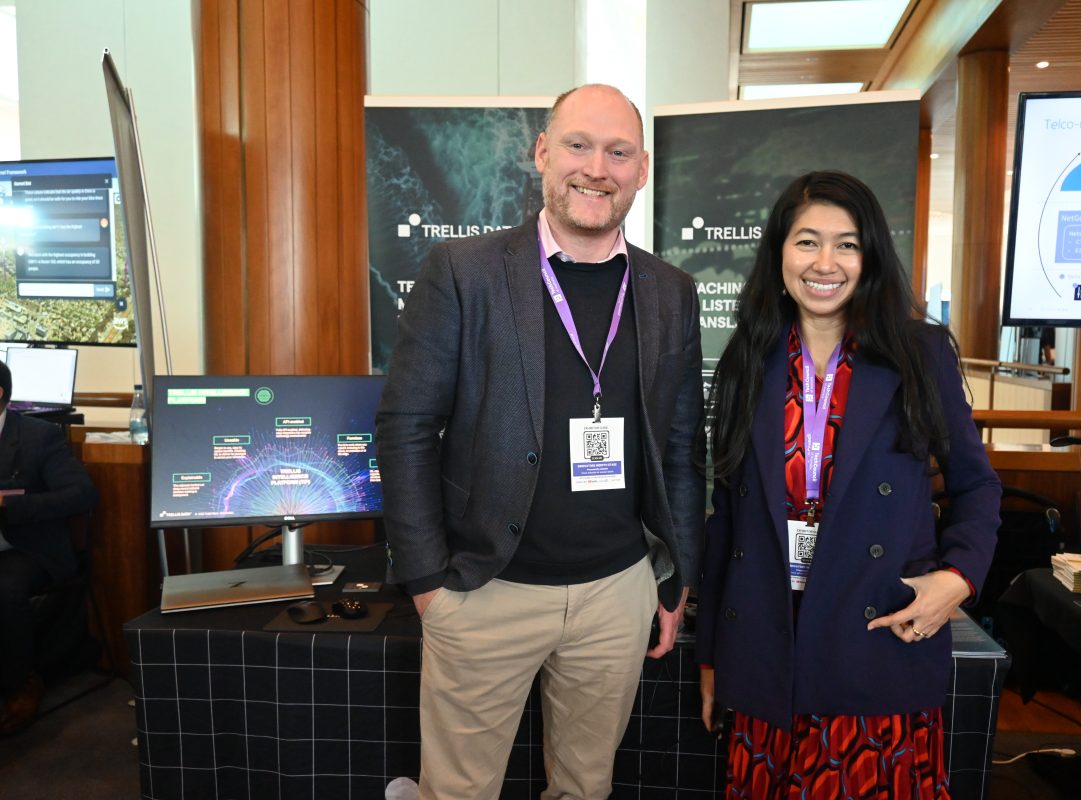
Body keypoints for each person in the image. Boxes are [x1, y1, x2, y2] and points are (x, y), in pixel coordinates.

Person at [375, 84, 705, 800]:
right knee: (458, 793)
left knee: (585, 789)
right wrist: (428, 583)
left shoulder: (670, 291)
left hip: (617, 593)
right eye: (579, 146)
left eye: (618, 152)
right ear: (542, 154)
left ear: (642, 169)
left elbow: (680, 446)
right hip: (486, 590)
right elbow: (405, 430)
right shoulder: (463, 274)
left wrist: (676, 578)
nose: (597, 168)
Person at [695, 171, 1000, 798]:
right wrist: (711, 655)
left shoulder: (920, 353)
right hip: (765, 646)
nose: (825, 262)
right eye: (807, 242)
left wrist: (958, 578)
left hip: (878, 638)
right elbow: (726, 517)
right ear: (779, 253)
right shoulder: (746, 360)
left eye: (848, 244)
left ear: (871, 257)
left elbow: (977, 486)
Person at [0, 358, 99, 736]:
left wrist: (8, 505)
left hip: (25, 546)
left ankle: (21, 682)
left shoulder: (39, 437)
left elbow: (83, 494)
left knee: (5, 589)